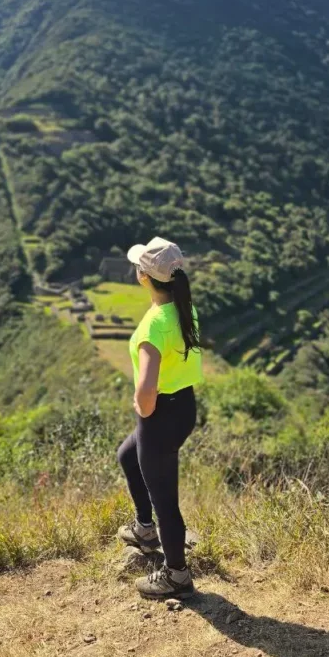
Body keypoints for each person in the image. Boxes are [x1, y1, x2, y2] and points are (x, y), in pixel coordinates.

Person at [117, 236, 202, 599]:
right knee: (126, 456)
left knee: (165, 498)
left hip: (161, 414)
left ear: (145, 277)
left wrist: (142, 408)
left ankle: (177, 575)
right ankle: (144, 528)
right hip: (183, 406)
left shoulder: (154, 325)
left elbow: (147, 387)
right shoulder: (183, 308)